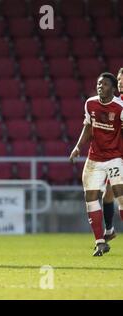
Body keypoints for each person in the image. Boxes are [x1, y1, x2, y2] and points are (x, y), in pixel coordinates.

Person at [69, 72, 123, 256]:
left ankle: (109, 231)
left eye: (105, 84)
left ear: (113, 89)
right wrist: (77, 147)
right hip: (94, 158)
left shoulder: (119, 107)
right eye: (99, 83)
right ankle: (100, 242)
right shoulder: (90, 103)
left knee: (120, 195)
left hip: (115, 157)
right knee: (90, 197)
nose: (101, 86)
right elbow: (88, 126)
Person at [100, 67, 123, 242]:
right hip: (116, 155)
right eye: (119, 79)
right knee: (108, 193)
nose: (121, 82)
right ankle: (109, 230)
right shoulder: (115, 101)